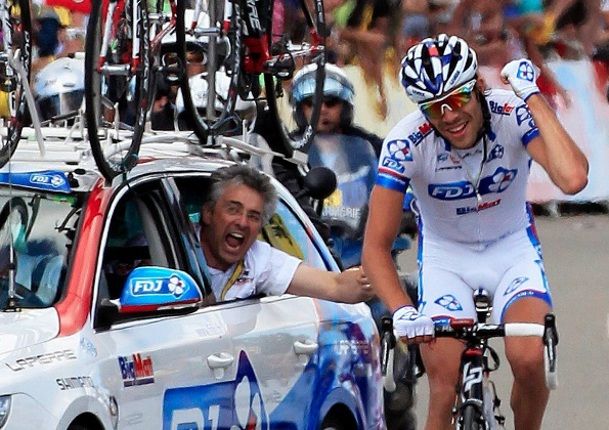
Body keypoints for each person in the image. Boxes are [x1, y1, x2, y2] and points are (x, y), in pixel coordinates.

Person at [362, 34, 588, 430]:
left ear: (479, 86)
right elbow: (375, 249)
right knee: (444, 385)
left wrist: (531, 95)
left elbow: (572, 179)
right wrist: (401, 310)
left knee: (528, 357)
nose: (449, 116)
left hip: (511, 249)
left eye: (458, 98)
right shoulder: (405, 142)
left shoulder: (510, 111)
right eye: (434, 108)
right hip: (446, 258)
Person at [199, 164, 374, 303]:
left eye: (253, 216)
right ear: (208, 213)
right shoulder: (174, 247)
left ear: (260, 227)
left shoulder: (258, 258)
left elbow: (335, 285)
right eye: (233, 210)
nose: (243, 222)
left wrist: (372, 277)